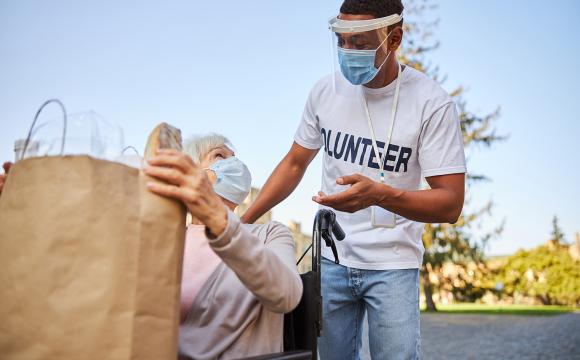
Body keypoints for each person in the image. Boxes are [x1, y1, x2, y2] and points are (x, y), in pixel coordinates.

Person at [240, 1, 466, 359]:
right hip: (332, 258)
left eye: (361, 43)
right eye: (342, 40)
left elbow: (450, 203)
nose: (348, 52)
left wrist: (379, 195)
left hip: (393, 263)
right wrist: (243, 223)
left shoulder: (431, 103)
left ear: (394, 40)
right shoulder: (324, 92)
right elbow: (295, 163)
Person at [0, 133, 303, 360]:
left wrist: (218, 220)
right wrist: (26, 208)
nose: (235, 163)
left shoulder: (268, 234)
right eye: (220, 156)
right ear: (187, 172)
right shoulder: (162, 237)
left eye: (235, 156)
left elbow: (287, 294)